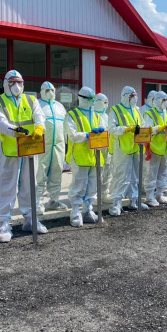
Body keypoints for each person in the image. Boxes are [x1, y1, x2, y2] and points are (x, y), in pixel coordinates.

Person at [0, 70, 48, 243]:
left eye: (19, 82)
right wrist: (14, 131)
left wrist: (39, 128)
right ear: (5, 83)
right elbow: (0, 122)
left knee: (30, 185)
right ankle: (3, 223)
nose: (16, 86)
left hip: (30, 148)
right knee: (7, 186)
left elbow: (39, 115)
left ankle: (30, 219)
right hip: (9, 151)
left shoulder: (31, 100)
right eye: (12, 82)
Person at [65, 86, 106, 227]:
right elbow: (73, 135)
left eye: (93, 99)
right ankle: (75, 212)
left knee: (92, 185)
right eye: (89, 99)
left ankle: (88, 209)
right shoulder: (72, 115)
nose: (92, 101)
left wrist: (100, 133)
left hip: (94, 156)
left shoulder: (97, 115)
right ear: (81, 98)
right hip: (80, 155)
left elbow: (103, 131)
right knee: (78, 185)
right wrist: (88, 135)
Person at [108, 86, 147, 215]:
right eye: (132, 96)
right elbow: (111, 129)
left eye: (135, 95)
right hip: (122, 148)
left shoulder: (136, 110)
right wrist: (126, 129)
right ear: (125, 96)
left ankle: (134, 200)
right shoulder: (115, 110)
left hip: (135, 147)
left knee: (135, 176)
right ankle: (116, 203)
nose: (135, 98)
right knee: (121, 176)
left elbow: (142, 125)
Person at [36, 81, 68, 214]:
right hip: (43, 145)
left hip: (59, 144)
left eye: (52, 90)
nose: (50, 93)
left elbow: (66, 126)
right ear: (42, 91)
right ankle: (37, 202)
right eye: (47, 90)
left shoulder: (59, 106)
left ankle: (54, 200)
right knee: (40, 173)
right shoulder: (37, 105)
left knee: (57, 172)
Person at [143, 91, 167, 206]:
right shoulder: (149, 113)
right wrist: (158, 128)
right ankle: (149, 197)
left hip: (164, 147)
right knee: (152, 173)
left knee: (163, 172)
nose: (166, 102)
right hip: (153, 147)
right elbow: (147, 129)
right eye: (164, 100)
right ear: (158, 101)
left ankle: (159, 194)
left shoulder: (165, 112)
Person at [94, 93, 112, 203]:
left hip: (107, 148)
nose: (106, 104)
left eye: (107, 102)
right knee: (97, 172)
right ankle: (95, 195)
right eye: (104, 102)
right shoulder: (93, 115)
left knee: (107, 171)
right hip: (97, 149)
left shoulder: (107, 116)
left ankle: (105, 193)